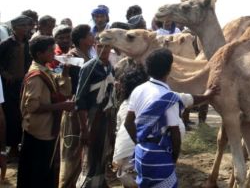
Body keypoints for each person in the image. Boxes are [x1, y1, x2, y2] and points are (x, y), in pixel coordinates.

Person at [124, 48, 219, 187]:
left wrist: (140, 142)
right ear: (169, 70)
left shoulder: (139, 90)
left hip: (140, 154)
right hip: (160, 157)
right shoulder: (168, 99)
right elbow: (175, 134)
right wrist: (173, 159)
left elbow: (128, 123)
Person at [17, 35, 74, 188]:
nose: (54, 53)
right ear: (39, 54)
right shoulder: (36, 77)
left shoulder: (46, 70)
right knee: (37, 173)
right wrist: (61, 106)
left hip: (47, 130)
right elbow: (33, 107)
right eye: (50, 51)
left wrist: (66, 71)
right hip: (39, 131)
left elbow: (62, 89)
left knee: (46, 172)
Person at [75, 42, 116, 188]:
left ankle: (100, 183)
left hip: (106, 115)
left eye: (106, 46)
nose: (103, 50)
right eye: (100, 46)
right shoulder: (89, 67)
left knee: (103, 152)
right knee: (91, 155)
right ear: (95, 47)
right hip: (93, 117)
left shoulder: (109, 66)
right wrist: (83, 129)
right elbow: (80, 99)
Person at [58, 24, 94, 188]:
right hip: (76, 107)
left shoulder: (89, 54)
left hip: (87, 106)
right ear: (82, 40)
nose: (93, 37)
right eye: (90, 35)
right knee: (73, 147)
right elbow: (67, 85)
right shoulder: (72, 57)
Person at [0, 15, 34, 159]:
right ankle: (12, 148)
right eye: (23, 26)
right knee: (12, 117)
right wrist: (5, 73)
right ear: (15, 28)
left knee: (23, 114)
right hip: (9, 86)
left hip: (24, 83)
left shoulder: (29, 43)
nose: (26, 29)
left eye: (27, 26)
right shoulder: (6, 44)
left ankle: (20, 146)